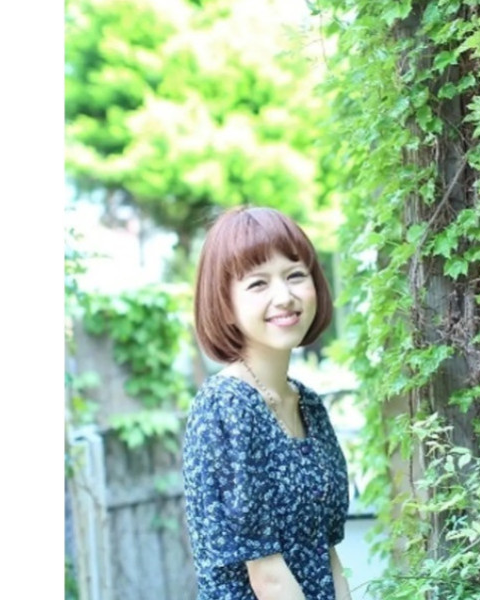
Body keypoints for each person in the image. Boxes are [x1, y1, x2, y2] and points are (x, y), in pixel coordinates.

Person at [182, 206, 352, 600]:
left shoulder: (308, 404)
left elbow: (328, 554)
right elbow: (268, 577)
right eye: (258, 283)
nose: (285, 297)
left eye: (295, 276)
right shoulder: (225, 407)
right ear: (225, 304)